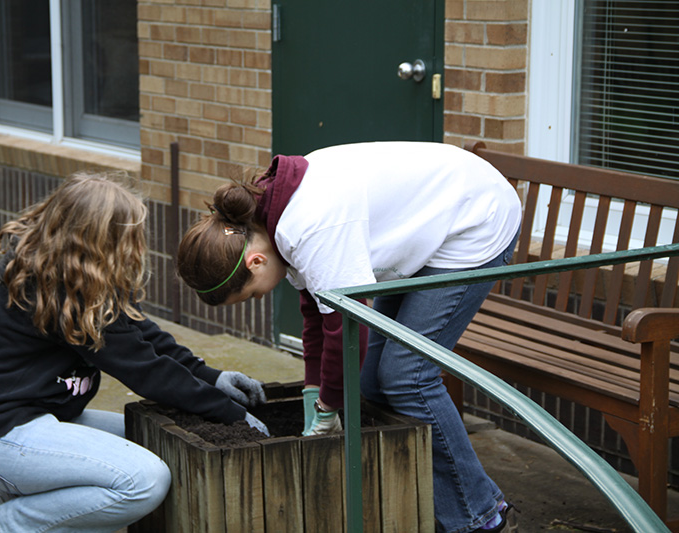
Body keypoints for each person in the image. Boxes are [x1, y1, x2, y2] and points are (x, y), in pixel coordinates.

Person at [176, 141, 522, 533]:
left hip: (474, 222)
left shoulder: (310, 226)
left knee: (407, 377)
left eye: (253, 293)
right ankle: (430, 501)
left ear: (255, 262)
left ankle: (480, 515)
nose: (262, 295)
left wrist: (327, 408)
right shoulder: (270, 217)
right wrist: (312, 391)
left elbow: (346, 331)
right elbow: (315, 312)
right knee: (373, 383)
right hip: (431, 222)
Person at [0, 171, 269, 533]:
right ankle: (3, 525)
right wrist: (230, 413)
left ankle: (18, 499)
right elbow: (146, 370)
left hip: (42, 419)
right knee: (144, 481)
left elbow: (147, 337)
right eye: (129, 237)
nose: (137, 247)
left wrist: (212, 377)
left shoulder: (82, 284)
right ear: (97, 242)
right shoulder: (60, 295)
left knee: (161, 438)